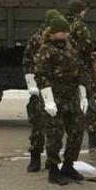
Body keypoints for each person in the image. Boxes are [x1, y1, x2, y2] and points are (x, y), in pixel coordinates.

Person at [34, 15, 88, 185]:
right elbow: (41, 76)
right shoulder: (45, 50)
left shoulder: (71, 48)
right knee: (54, 135)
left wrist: (83, 94)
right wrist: (48, 100)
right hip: (54, 99)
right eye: (60, 32)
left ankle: (68, 165)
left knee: (76, 132)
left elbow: (80, 71)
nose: (63, 35)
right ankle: (53, 169)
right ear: (52, 33)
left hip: (71, 98)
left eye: (65, 31)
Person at [64, 0, 96, 149]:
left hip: (65, 69)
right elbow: (88, 45)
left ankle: (85, 132)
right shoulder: (80, 27)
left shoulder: (62, 25)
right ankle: (92, 135)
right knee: (88, 99)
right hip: (81, 68)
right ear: (80, 12)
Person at [22, 9, 61, 173]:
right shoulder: (37, 39)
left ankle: (52, 159)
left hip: (57, 89)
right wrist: (31, 84)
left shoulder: (62, 40)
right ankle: (35, 157)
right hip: (40, 88)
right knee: (38, 125)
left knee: (56, 127)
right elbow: (27, 62)